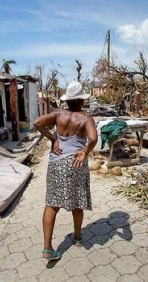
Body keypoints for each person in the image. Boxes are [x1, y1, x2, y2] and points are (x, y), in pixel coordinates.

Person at [34, 81, 98, 261]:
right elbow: (93, 138)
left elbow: (38, 122)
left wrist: (53, 139)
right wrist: (85, 151)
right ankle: (77, 238)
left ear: (68, 101)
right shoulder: (86, 118)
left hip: (56, 164)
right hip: (75, 164)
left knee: (52, 204)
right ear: (81, 101)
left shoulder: (58, 114)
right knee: (77, 203)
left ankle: (47, 248)